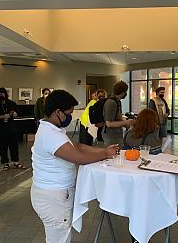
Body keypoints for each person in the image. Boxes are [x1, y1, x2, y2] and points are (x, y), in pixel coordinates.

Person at [30, 89, 117, 243]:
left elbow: (76, 147)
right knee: (59, 238)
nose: (70, 117)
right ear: (57, 112)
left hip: (53, 194)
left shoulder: (54, 129)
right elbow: (79, 157)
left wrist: (104, 150)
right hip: (53, 197)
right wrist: (105, 155)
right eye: (68, 113)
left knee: (59, 236)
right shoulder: (50, 134)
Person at [0, 88, 25, 171]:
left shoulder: (12, 103)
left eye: (2, 94)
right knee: (2, 147)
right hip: (0, 128)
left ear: (5, 94)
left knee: (14, 146)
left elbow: (17, 114)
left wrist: (15, 114)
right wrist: (3, 116)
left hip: (11, 128)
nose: (1, 95)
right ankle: (5, 163)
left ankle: (16, 162)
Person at [102, 81, 132, 146]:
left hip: (117, 134)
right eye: (125, 92)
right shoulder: (111, 103)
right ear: (123, 92)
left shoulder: (117, 101)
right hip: (111, 136)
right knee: (113, 155)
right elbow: (109, 123)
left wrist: (127, 122)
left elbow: (118, 117)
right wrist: (126, 122)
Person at [149, 87, 171, 151]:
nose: (163, 94)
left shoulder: (163, 101)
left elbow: (168, 110)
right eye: (161, 92)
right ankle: (155, 148)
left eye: (164, 92)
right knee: (155, 137)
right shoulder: (153, 101)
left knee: (161, 136)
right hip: (156, 122)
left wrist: (167, 114)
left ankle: (160, 148)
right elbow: (151, 112)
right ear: (157, 93)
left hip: (163, 122)